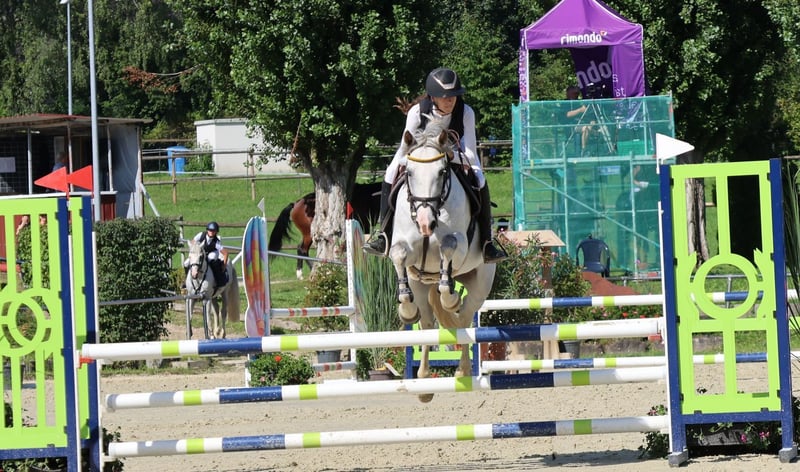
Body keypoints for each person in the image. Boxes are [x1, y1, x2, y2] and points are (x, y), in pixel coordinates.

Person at [363, 67, 507, 263]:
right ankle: (384, 236)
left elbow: (472, 156)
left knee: (480, 177)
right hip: (421, 161)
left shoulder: (466, 112)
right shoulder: (416, 112)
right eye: (445, 97)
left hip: (456, 157)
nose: (451, 100)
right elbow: (405, 150)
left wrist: (449, 155)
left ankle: (487, 243)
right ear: (433, 97)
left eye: (454, 95)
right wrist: (417, 160)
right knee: (390, 171)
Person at [564, 85, 594, 154]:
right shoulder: (565, 103)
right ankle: (584, 150)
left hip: (584, 123)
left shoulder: (579, 102)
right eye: (574, 93)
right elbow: (567, 114)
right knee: (585, 128)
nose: (576, 95)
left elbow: (588, 114)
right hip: (573, 125)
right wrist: (580, 110)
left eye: (577, 93)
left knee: (600, 127)